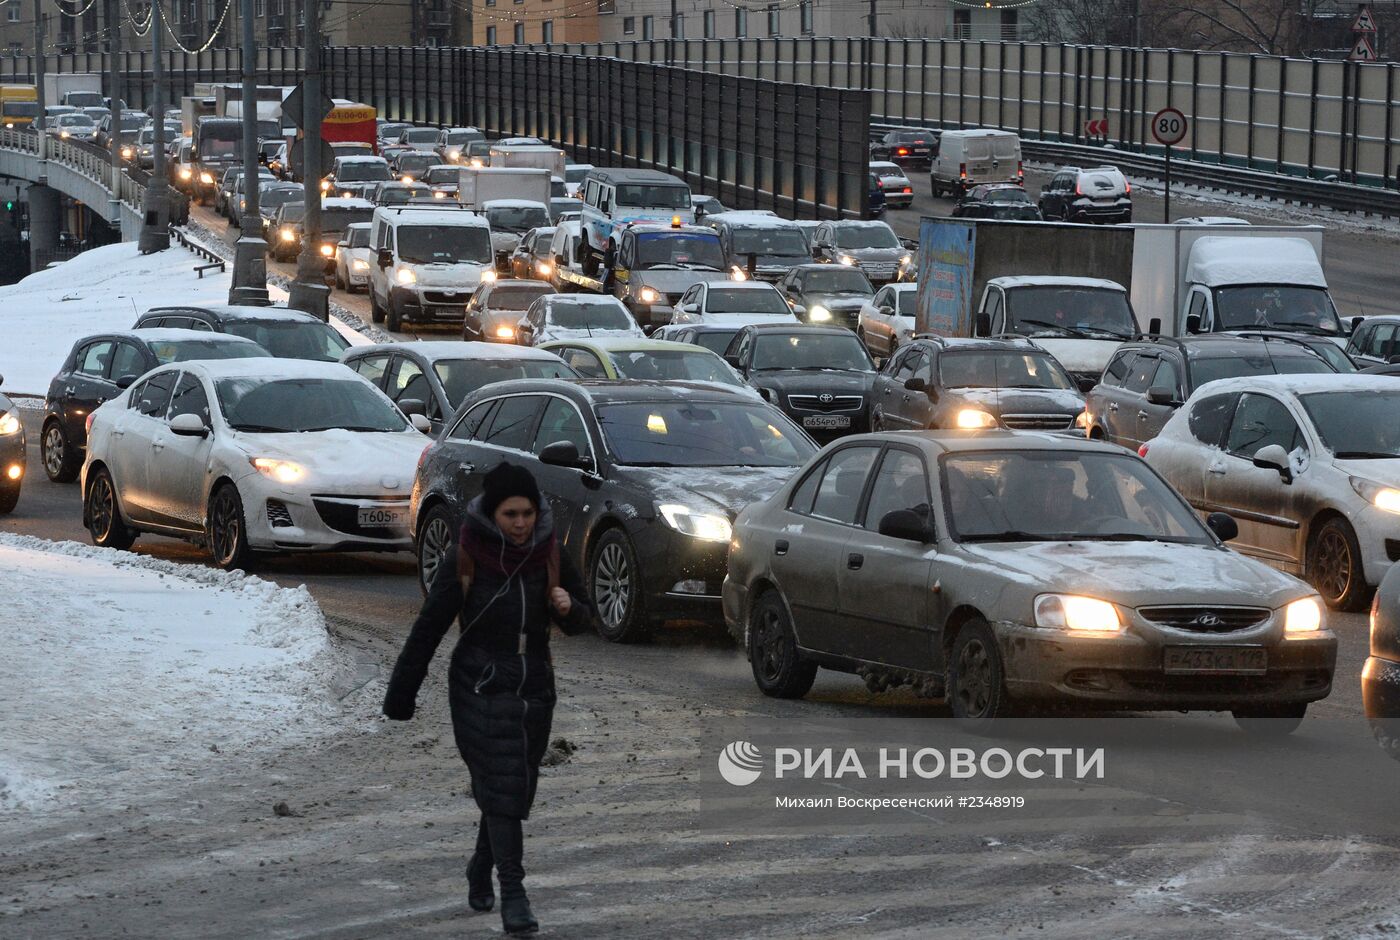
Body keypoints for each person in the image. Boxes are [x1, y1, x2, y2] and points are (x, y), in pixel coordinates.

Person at [382, 462, 592, 937]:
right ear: (491, 513)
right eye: (510, 513)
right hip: (480, 679)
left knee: (513, 787)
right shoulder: (466, 555)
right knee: (503, 782)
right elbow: (429, 628)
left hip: (535, 682)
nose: (520, 523)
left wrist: (568, 608)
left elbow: (583, 619)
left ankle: (481, 864)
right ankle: (513, 893)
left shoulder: (550, 552)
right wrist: (402, 694)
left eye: (527, 513)